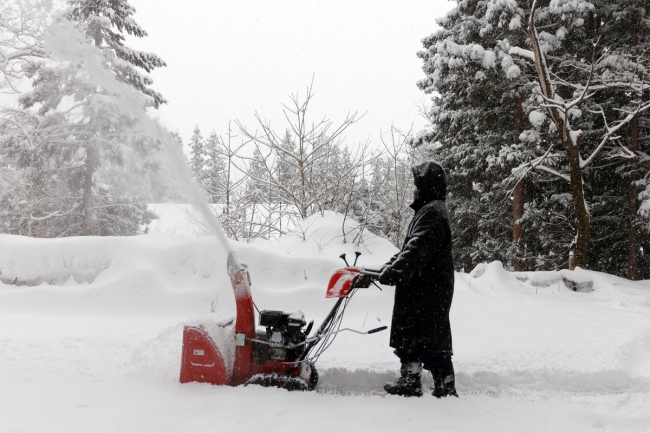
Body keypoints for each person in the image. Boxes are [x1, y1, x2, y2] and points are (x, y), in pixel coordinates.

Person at [378, 161, 457, 398]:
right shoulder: (428, 210)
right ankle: (410, 380)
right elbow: (407, 249)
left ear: (427, 186)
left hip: (428, 290)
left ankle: (445, 386)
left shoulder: (432, 212)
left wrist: (394, 272)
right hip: (420, 288)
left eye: (417, 185)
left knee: (431, 338)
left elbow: (416, 253)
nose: (414, 189)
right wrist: (389, 266)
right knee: (409, 336)